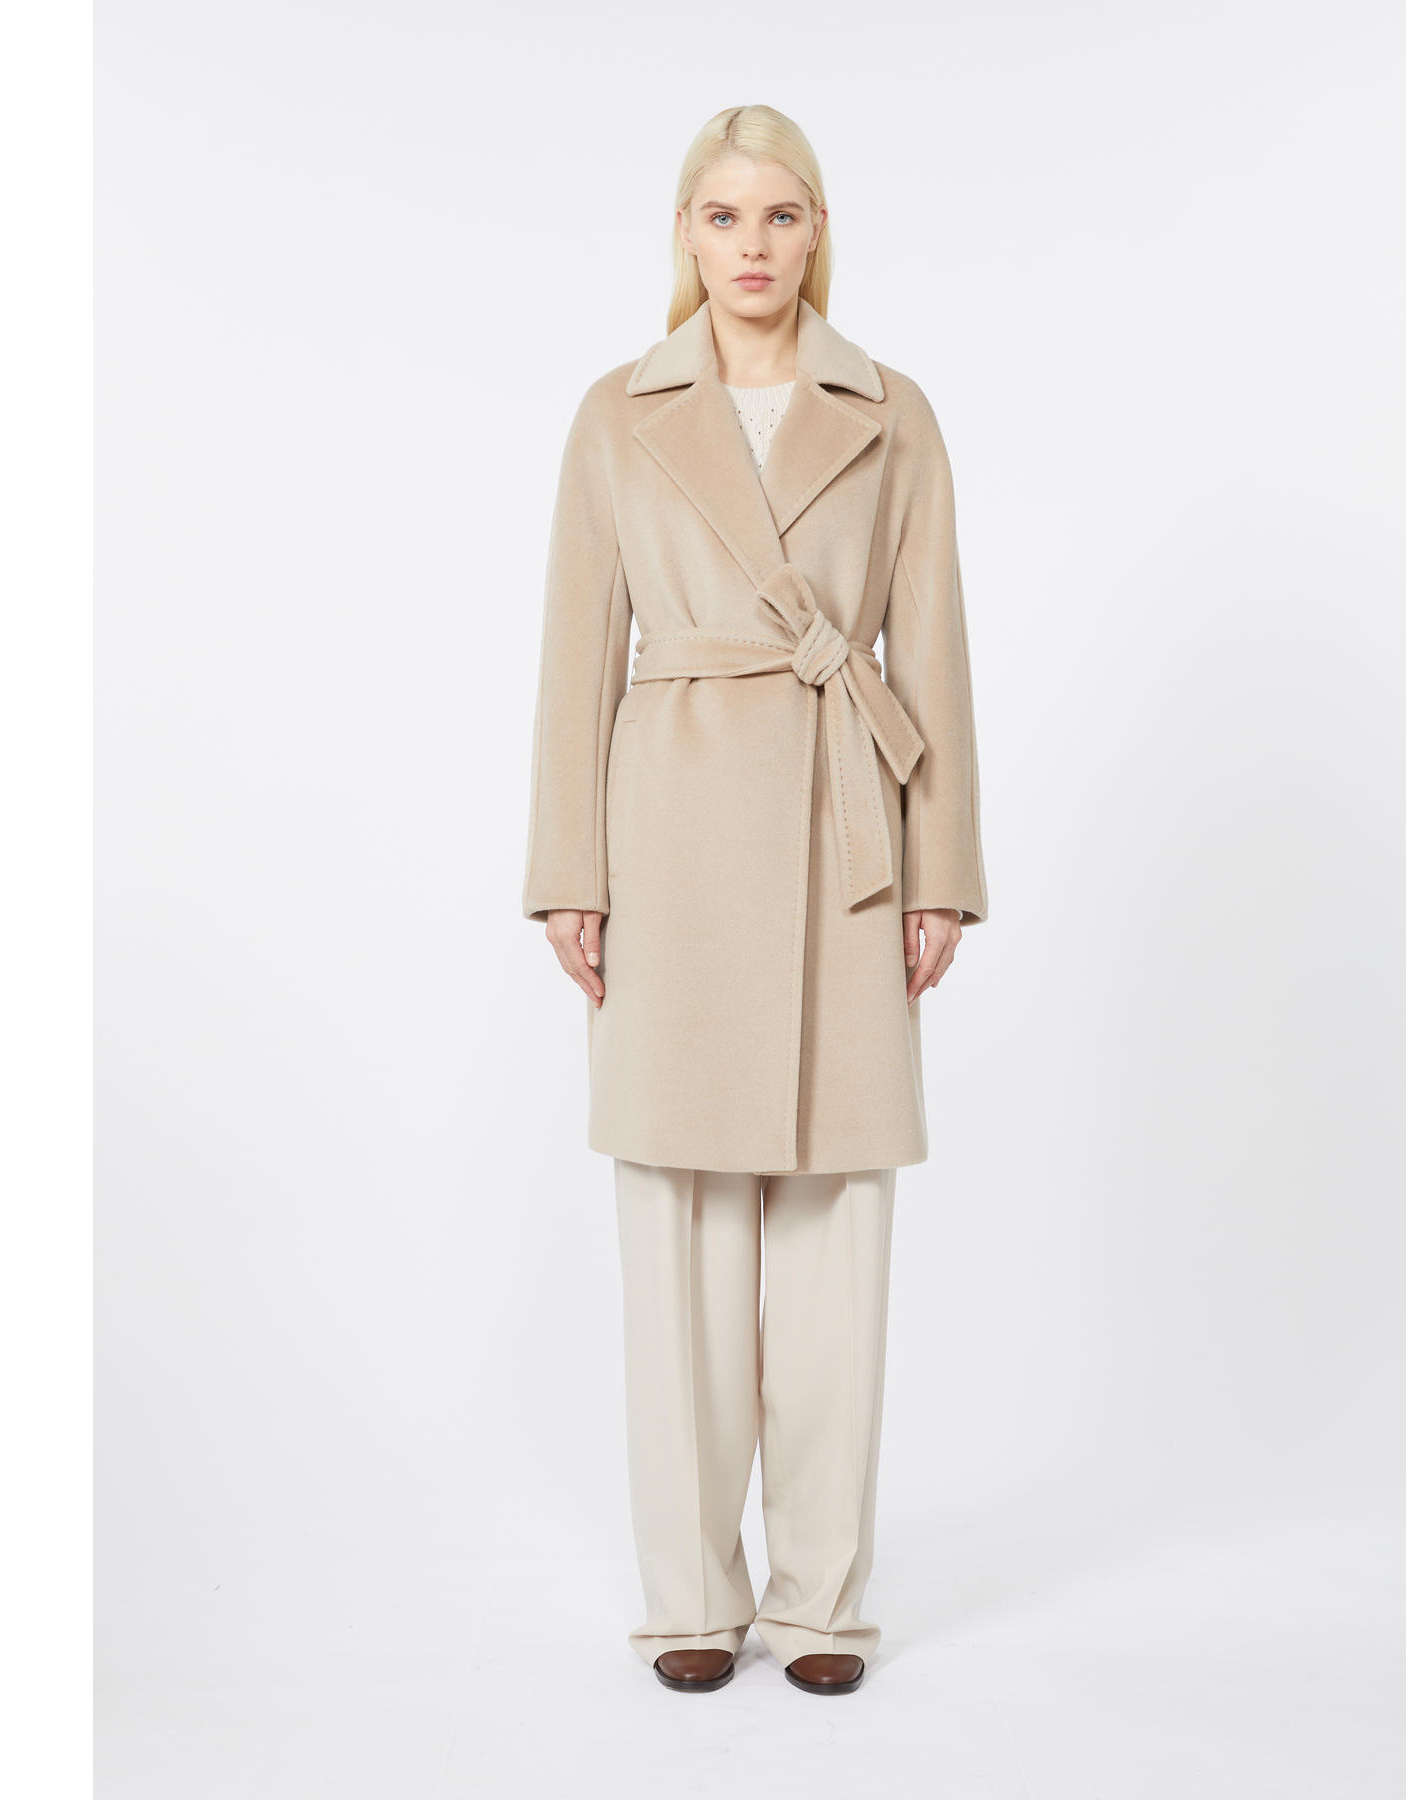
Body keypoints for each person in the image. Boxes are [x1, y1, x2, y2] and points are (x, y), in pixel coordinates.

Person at [521, 103, 989, 1696]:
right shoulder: (618, 414)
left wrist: (942, 870)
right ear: (685, 234)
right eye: (723, 217)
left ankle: (822, 1602)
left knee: (839, 1215)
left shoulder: (893, 412)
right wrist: (568, 873)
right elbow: (577, 654)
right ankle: (690, 1600)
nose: (753, 247)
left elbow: (933, 649)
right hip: (668, 830)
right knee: (679, 1216)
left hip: (848, 825)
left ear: (818, 231)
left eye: (781, 215)